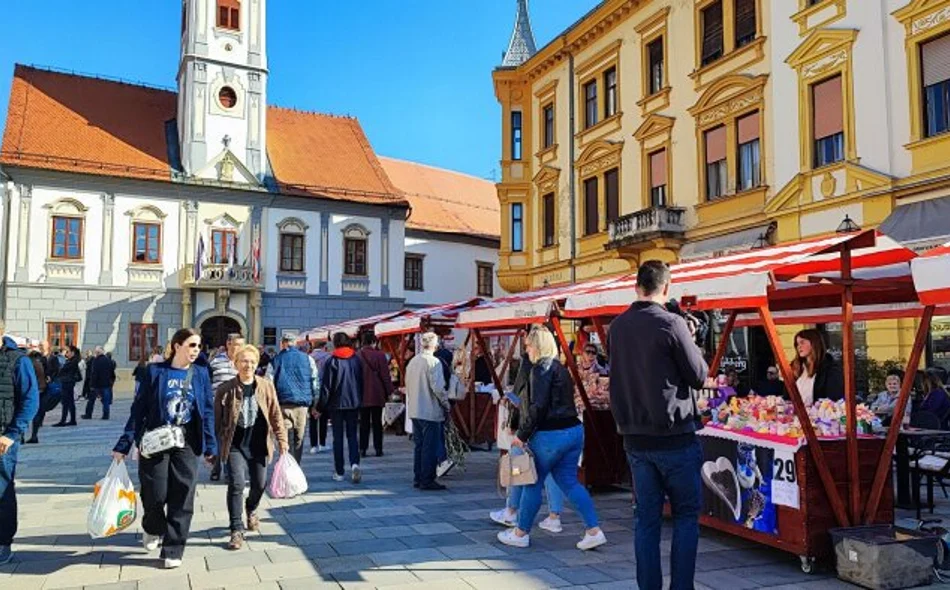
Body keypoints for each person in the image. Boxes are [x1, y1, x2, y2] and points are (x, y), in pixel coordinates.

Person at [608, 260, 709, 590]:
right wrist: (691, 339)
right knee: (684, 517)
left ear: (636, 287)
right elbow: (698, 376)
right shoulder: (672, 323)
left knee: (646, 521)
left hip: (635, 438)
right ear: (667, 288)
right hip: (674, 436)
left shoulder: (618, 327)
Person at [113, 328, 217, 569]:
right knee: (154, 493)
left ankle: (173, 548)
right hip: (155, 440)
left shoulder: (201, 373)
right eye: (192, 345)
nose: (196, 351)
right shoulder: (155, 372)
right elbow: (138, 411)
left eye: (198, 346)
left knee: (182, 495)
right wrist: (124, 443)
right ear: (177, 345)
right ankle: (152, 527)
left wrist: (211, 445)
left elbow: (208, 411)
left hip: (187, 442)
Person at [497, 325, 605, 550]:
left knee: (532, 482)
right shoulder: (560, 367)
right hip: (573, 431)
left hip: (549, 435)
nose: (526, 350)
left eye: (527, 345)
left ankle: (520, 533)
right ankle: (593, 530)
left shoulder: (541, 369)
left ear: (537, 345)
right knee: (569, 482)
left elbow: (538, 406)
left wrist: (522, 435)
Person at [215, 345, 289, 550]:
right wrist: (214, 447)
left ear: (257, 364)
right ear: (235, 363)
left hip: (258, 444)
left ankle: (251, 508)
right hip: (235, 444)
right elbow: (217, 421)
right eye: (244, 361)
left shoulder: (266, 386)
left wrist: (282, 440)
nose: (248, 365)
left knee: (260, 484)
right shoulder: (226, 388)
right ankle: (236, 530)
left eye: (252, 362)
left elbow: (275, 415)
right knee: (237, 484)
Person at [490, 355, 566, 532]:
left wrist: (516, 426)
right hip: (553, 428)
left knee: (518, 467)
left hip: (533, 428)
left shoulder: (530, 364)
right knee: (549, 473)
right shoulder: (557, 368)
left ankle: (512, 511)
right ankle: (554, 516)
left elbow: (521, 396)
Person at [0, 332, 40, 565]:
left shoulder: (17, 360)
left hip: (3, 437)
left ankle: (3, 543)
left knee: (2, 490)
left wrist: (11, 434)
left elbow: (30, 400)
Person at [405, 332, 450, 491]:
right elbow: (438, 388)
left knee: (419, 445)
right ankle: (427, 479)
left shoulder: (412, 362)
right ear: (435, 345)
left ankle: (418, 477)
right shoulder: (434, 362)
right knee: (429, 447)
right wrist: (446, 404)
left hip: (415, 409)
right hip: (430, 410)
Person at [317, 333, 363, 483]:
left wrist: (320, 406)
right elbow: (361, 381)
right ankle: (355, 464)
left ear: (335, 343)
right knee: (352, 436)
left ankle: (340, 471)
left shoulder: (332, 361)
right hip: (354, 402)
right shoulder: (356, 359)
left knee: (338, 438)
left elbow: (326, 387)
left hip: (336, 404)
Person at [267, 336, 318, 463]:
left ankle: (287, 465)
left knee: (285, 439)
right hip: (302, 405)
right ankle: (296, 465)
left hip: (282, 404)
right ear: (295, 343)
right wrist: (315, 403)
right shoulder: (308, 359)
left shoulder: (275, 360)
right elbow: (315, 381)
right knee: (299, 439)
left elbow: (268, 383)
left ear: (282, 344)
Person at [208, 334, 244, 481]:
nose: (239, 348)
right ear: (228, 344)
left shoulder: (243, 362)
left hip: (236, 406)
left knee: (232, 438)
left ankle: (230, 471)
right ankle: (216, 468)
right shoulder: (215, 362)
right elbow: (208, 382)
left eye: (241, 345)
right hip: (217, 405)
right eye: (237, 345)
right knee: (218, 437)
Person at [357, 332, 394, 457]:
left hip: (361, 394)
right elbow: (385, 375)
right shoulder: (380, 355)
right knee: (377, 422)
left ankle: (362, 449)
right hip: (377, 393)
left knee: (364, 423)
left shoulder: (358, 355)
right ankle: (378, 449)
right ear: (374, 342)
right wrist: (389, 391)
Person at [791, 329, 844, 405]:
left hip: (820, 414)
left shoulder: (830, 368)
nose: (798, 346)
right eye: (797, 344)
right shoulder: (796, 367)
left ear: (814, 343)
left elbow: (834, 397)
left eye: (802, 342)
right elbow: (788, 396)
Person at [309, 344, 332, 454]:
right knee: (323, 419)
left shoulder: (308, 357)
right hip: (324, 391)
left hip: (311, 391)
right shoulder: (328, 357)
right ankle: (322, 443)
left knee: (313, 419)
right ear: (324, 347)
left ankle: (313, 445)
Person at [52, 346, 82, 427]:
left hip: (67, 383)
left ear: (72, 353)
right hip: (68, 382)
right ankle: (72, 420)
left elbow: (63, 371)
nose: (66, 353)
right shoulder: (72, 361)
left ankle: (63, 421)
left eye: (68, 352)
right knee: (70, 402)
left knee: (65, 402)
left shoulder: (72, 362)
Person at [84, 347, 116, 420]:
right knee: (106, 401)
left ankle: (88, 414)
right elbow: (112, 373)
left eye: (96, 352)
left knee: (91, 400)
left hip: (97, 384)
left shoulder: (96, 361)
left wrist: (92, 384)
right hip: (106, 384)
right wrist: (111, 382)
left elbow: (94, 373)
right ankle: (106, 415)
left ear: (98, 353)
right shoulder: (109, 361)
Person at [25, 350, 48, 444]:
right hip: (41, 389)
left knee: (25, 413)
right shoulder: (38, 363)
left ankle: (23, 436)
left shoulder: (30, 364)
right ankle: (34, 435)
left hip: (32, 390)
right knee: (37, 413)